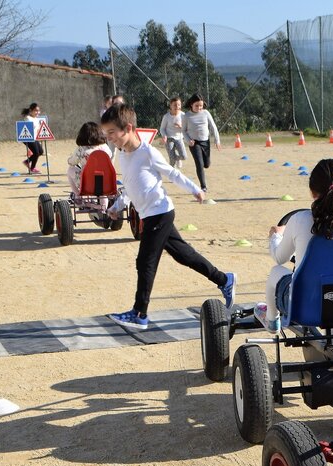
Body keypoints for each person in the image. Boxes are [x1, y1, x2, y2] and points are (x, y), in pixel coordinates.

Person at [101, 103, 236, 331]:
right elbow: (130, 186)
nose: (110, 138)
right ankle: (225, 280)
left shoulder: (147, 152)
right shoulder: (123, 155)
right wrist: (118, 205)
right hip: (150, 214)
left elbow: (172, 173)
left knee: (145, 262)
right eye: (107, 134)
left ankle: (139, 313)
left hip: (160, 213)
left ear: (128, 128)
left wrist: (195, 189)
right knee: (185, 256)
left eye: (112, 133)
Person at [259, 158, 333, 334]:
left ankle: (272, 320)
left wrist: (276, 236)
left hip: (303, 306)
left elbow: (280, 258)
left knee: (276, 272)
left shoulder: (299, 220)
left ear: (312, 191)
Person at [183, 94, 220, 191]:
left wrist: (217, 140)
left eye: (201, 106)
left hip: (205, 142)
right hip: (194, 143)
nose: (199, 108)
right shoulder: (186, 116)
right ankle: (203, 186)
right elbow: (183, 130)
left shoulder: (206, 113)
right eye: (197, 106)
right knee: (199, 164)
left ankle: (205, 164)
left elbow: (213, 126)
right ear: (191, 104)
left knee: (206, 164)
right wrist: (188, 140)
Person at [66, 121, 111, 195]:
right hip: (105, 182)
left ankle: (78, 195)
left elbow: (71, 162)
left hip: (88, 184)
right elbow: (110, 156)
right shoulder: (105, 147)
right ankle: (104, 204)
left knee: (70, 170)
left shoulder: (81, 149)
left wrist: (70, 159)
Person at [160, 97, 186, 169]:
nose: (177, 107)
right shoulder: (166, 116)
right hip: (169, 138)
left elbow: (186, 128)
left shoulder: (183, 115)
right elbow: (162, 129)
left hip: (179, 138)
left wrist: (181, 126)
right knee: (172, 159)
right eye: (174, 105)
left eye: (179, 105)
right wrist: (164, 136)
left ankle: (177, 159)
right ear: (170, 106)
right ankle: (172, 174)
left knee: (184, 156)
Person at [21, 103, 44, 173]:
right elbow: (27, 127)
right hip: (28, 138)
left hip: (34, 138)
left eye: (38, 111)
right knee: (36, 153)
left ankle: (27, 161)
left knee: (40, 152)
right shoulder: (28, 118)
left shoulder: (36, 119)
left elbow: (37, 129)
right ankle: (32, 168)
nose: (38, 112)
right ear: (31, 110)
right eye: (36, 111)